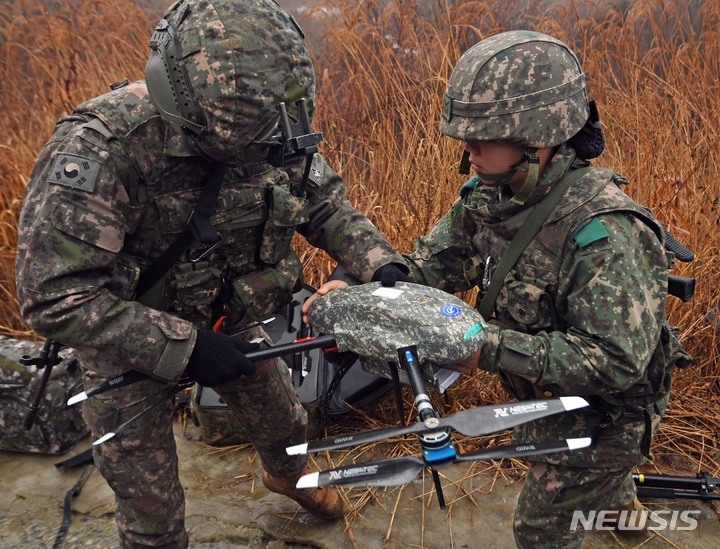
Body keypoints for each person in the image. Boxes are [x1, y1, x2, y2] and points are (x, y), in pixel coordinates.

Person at [14, 0, 410, 546]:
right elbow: (53, 295)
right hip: (127, 344)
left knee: (289, 431)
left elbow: (323, 204)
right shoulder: (104, 149)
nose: (259, 153)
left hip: (227, 322)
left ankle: (288, 478)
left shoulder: (270, 121)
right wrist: (187, 349)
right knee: (153, 518)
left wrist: (379, 262)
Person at [303, 30, 690, 548]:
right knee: (609, 501)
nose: (469, 152)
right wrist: (355, 289)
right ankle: (632, 526)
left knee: (539, 531)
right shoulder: (490, 195)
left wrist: (482, 349)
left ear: (537, 138)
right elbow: (432, 265)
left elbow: (615, 363)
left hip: (609, 414)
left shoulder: (606, 234)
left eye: (482, 139)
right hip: (542, 395)